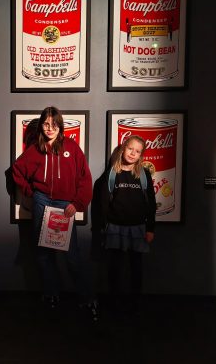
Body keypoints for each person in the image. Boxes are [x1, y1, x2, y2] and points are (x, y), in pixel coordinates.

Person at [12, 106, 98, 319]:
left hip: (64, 205)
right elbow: (16, 170)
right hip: (42, 203)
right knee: (43, 254)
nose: (50, 128)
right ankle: (51, 294)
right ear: (41, 126)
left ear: (60, 126)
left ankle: (86, 298)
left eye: (54, 124)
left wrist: (77, 203)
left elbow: (85, 178)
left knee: (72, 256)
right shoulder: (35, 149)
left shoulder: (72, 147)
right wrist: (31, 193)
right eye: (46, 124)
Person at [98, 135, 156, 315]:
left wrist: (150, 228)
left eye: (137, 151)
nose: (133, 153)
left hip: (138, 228)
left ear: (141, 155)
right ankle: (114, 302)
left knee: (136, 268)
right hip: (115, 227)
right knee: (115, 267)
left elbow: (151, 204)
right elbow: (103, 203)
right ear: (123, 148)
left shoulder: (144, 174)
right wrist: (102, 227)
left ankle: (135, 302)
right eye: (130, 149)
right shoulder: (112, 173)